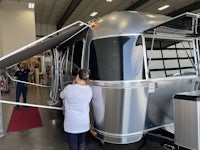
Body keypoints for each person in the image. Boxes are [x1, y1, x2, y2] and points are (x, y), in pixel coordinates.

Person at [60, 69, 92, 150]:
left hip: (72, 125)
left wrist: (73, 84)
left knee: (73, 147)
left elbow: (61, 96)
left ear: (77, 76)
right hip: (84, 123)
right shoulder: (89, 89)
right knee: (81, 146)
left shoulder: (69, 88)